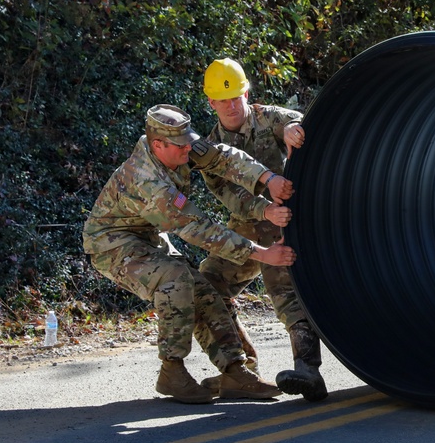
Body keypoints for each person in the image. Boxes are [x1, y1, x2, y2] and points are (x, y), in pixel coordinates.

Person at [83, 104, 296, 404]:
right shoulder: (147, 182)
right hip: (111, 244)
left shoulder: (178, 146)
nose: (188, 150)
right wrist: (262, 254)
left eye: (188, 143)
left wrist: (267, 178)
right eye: (181, 146)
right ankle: (172, 371)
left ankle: (235, 371)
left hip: (147, 235)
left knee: (202, 289)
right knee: (175, 279)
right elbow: (198, 229)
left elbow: (223, 158)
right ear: (159, 145)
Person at [195, 58, 328, 402]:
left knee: (283, 284)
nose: (231, 106)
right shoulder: (209, 150)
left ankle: (308, 371)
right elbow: (230, 195)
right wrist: (263, 209)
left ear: (246, 93)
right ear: (211, 103)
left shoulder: (267, 117)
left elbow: (301, 122)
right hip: (249, 223)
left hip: (290, 219)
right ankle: (239, 369)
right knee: (206, 282)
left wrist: (294, 130)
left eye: (236, 97)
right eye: (222, 100)